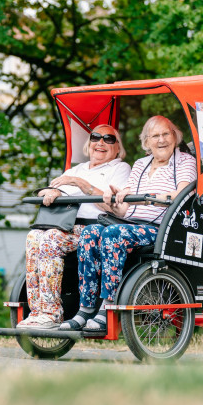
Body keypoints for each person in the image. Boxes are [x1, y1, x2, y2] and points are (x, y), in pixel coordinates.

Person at [60, 116, 197, 333]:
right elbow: (126, 208)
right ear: (147, 142)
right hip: (131, 223)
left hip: (162, 227)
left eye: (166, 134)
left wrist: (145, 198)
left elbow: (181, 194)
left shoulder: (184, 161)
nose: (161, 140)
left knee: (113, 233)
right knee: (90, 232)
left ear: (175, 137)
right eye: (155, 136)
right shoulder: (141, 164)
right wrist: (112, 203)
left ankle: (108, 305)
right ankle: (86, 307)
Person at [17, 125, 131, 329]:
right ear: (89, 144)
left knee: (51, 238)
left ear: (117, 148)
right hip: (66, 226)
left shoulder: (119, 168)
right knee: (34, 237)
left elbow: (114, 206)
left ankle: (52, 313)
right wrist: (51, 193)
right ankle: (37, 312)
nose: (101, 142)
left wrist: (80, 183)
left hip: (96, 228)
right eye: (96, 137)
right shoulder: (76, 169)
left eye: (109, 139)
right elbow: (51, 189)